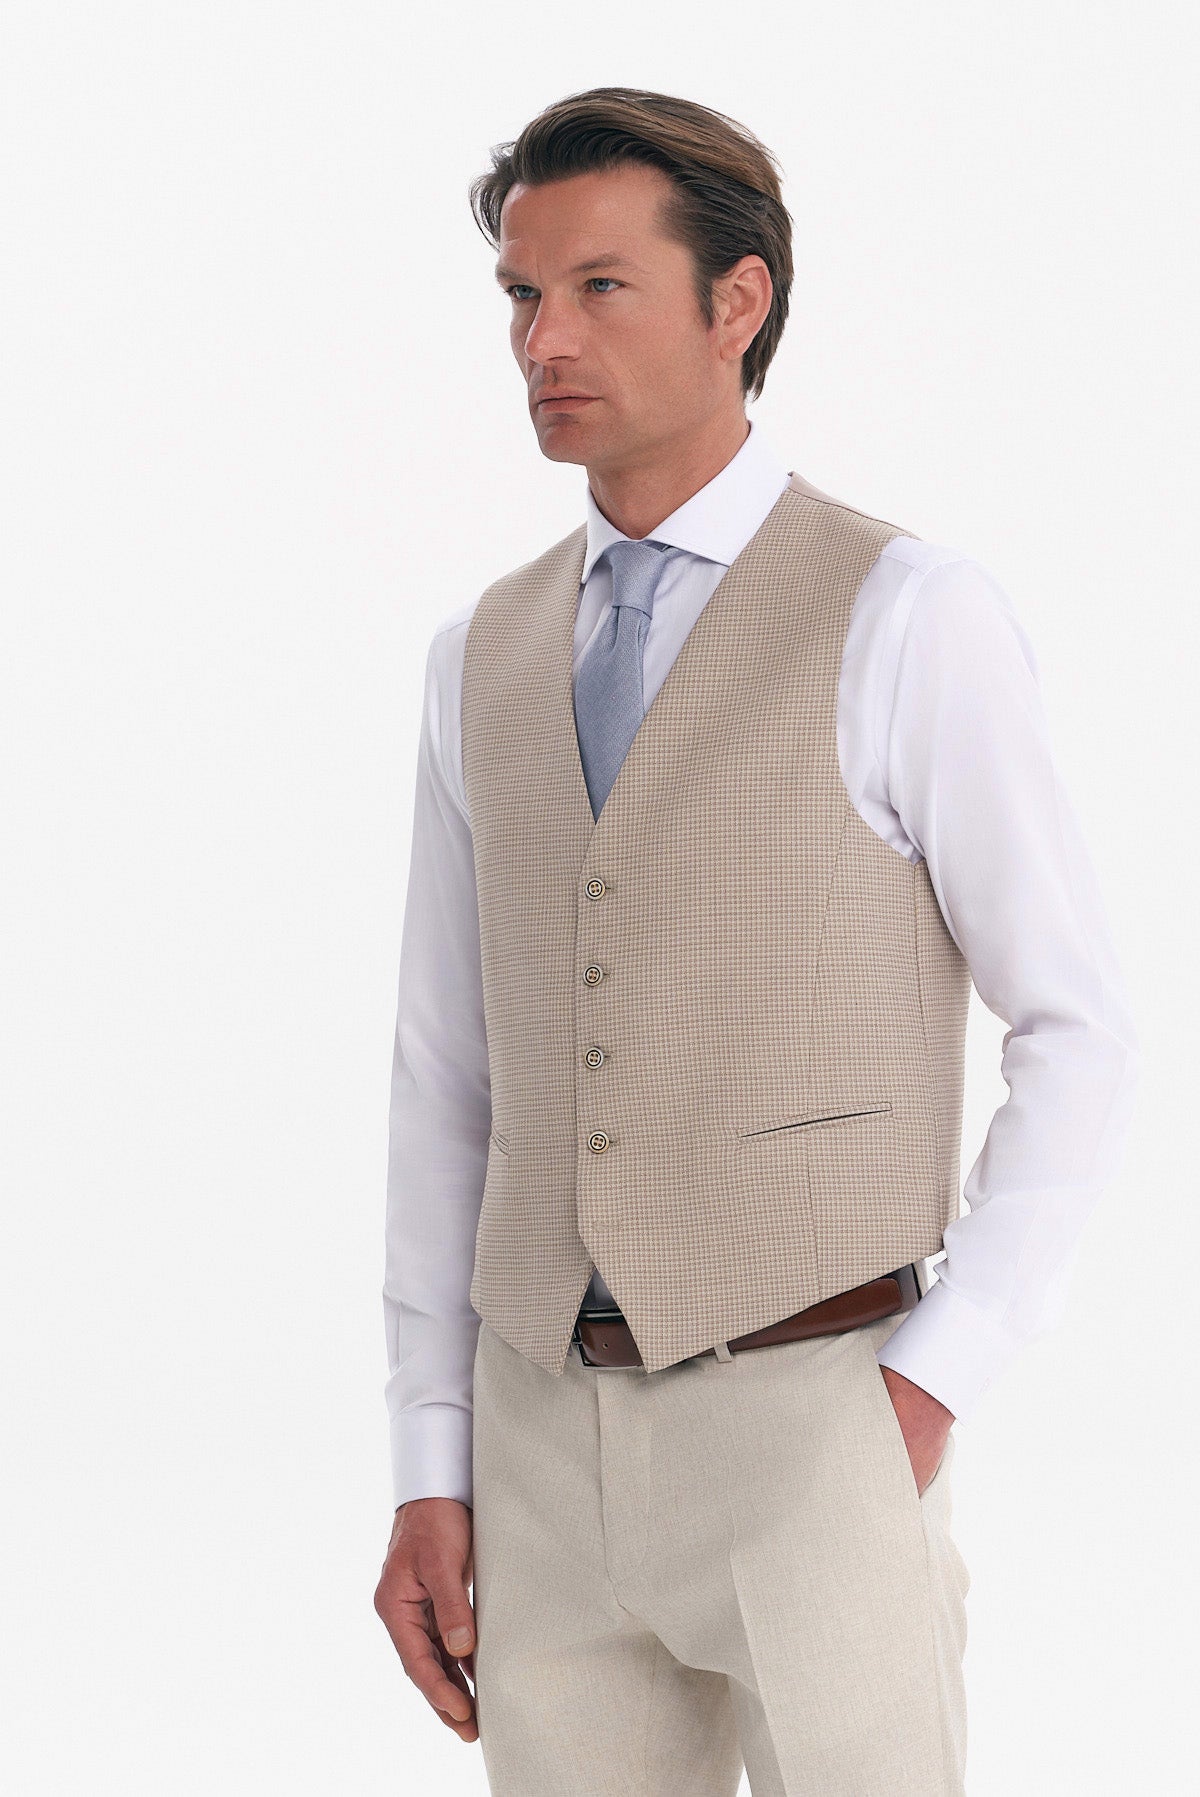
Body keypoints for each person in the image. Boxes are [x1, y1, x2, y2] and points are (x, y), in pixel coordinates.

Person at [372, 85, 1139, 1794]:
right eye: (521, 296)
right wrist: (432, 1453)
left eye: (599, 287)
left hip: (816, 1410)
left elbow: (1078, 1027)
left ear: (740, 301)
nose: (543, 340)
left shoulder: (907, 613)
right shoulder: (477, 653)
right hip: (534, 1440)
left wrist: (924, 1388)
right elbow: (447, 1077)